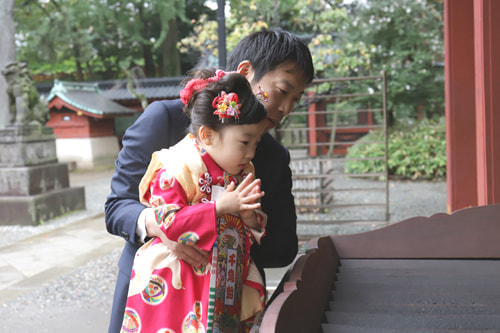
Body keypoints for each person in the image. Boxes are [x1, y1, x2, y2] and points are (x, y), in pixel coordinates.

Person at [105, 28, 314, 333]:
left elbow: (283, 248)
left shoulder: (272, 156)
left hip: (225, 304)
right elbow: (116, 208)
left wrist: (244, 224)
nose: (286, 109)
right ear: (246, 72)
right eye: (282, 91)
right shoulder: (164, 119)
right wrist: (164, 227)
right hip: (152, 295)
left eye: (296, 99)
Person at [121, 69, 268, 332]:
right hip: (177, 279)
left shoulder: (244, 170)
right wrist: (220, 208)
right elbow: (167, 222)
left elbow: (255, 224)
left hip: (227, 274)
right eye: (245, 142)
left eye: (256, 144)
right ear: (207, 135)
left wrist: (249, 218)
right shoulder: (178, 165)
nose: (251, 152)